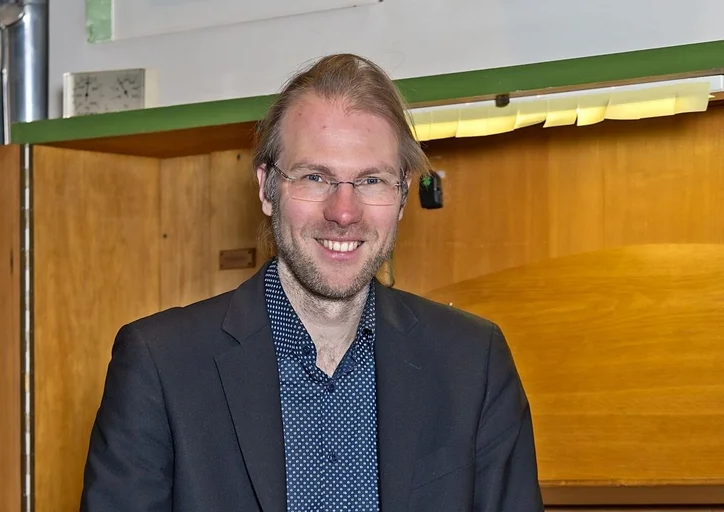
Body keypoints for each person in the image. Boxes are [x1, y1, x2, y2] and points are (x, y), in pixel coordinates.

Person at [80, 53, 544, 512]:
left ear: (402, 194)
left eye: (371, 181)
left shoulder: (472, 361)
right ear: (266, 188)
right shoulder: (160, 363)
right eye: (315, 176)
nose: (343, 212)